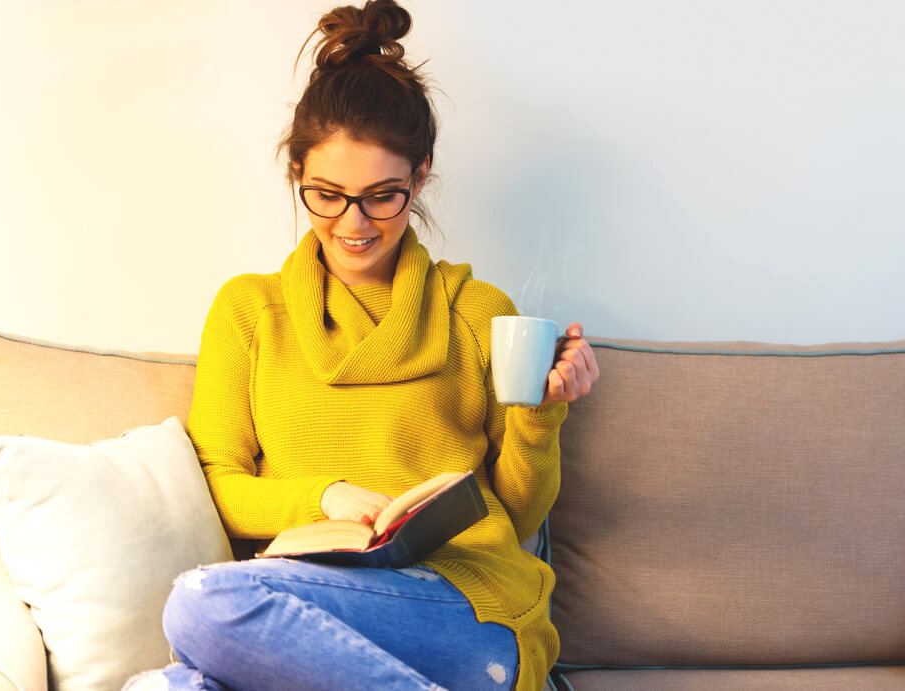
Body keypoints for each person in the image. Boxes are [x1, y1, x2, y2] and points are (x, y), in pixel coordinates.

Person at [125, 1, 598, 689]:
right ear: (296, 173)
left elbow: (518, 511)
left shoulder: (477, 312)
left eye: (383, 195)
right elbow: (222, 487)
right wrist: (330, 497)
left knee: (202, 602)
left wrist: (543, 411)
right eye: (328, 194)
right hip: (310, 604)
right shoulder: (248, 311)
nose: (354, 222)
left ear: (421, 175)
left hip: (464, 605)